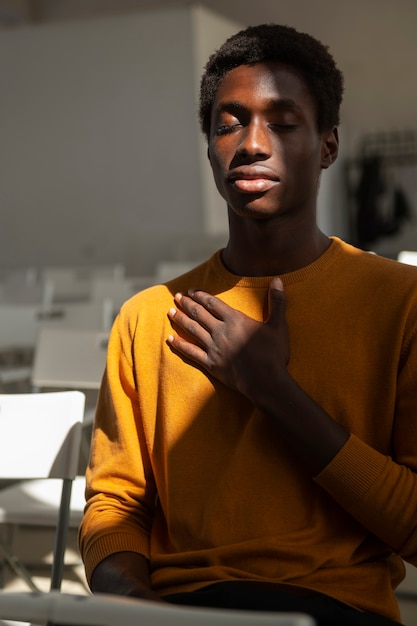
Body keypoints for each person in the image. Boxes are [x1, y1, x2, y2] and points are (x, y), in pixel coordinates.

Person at [79, 24, 417, 626]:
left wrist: (272, 388)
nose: (252, 144)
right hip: (176, 609)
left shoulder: (401, 302)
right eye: (228, 123)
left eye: (283, 122)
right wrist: (134, 604)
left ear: (328, 145)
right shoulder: (147, 316)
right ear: (209, 145)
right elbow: (115, 507)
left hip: (334, 608)